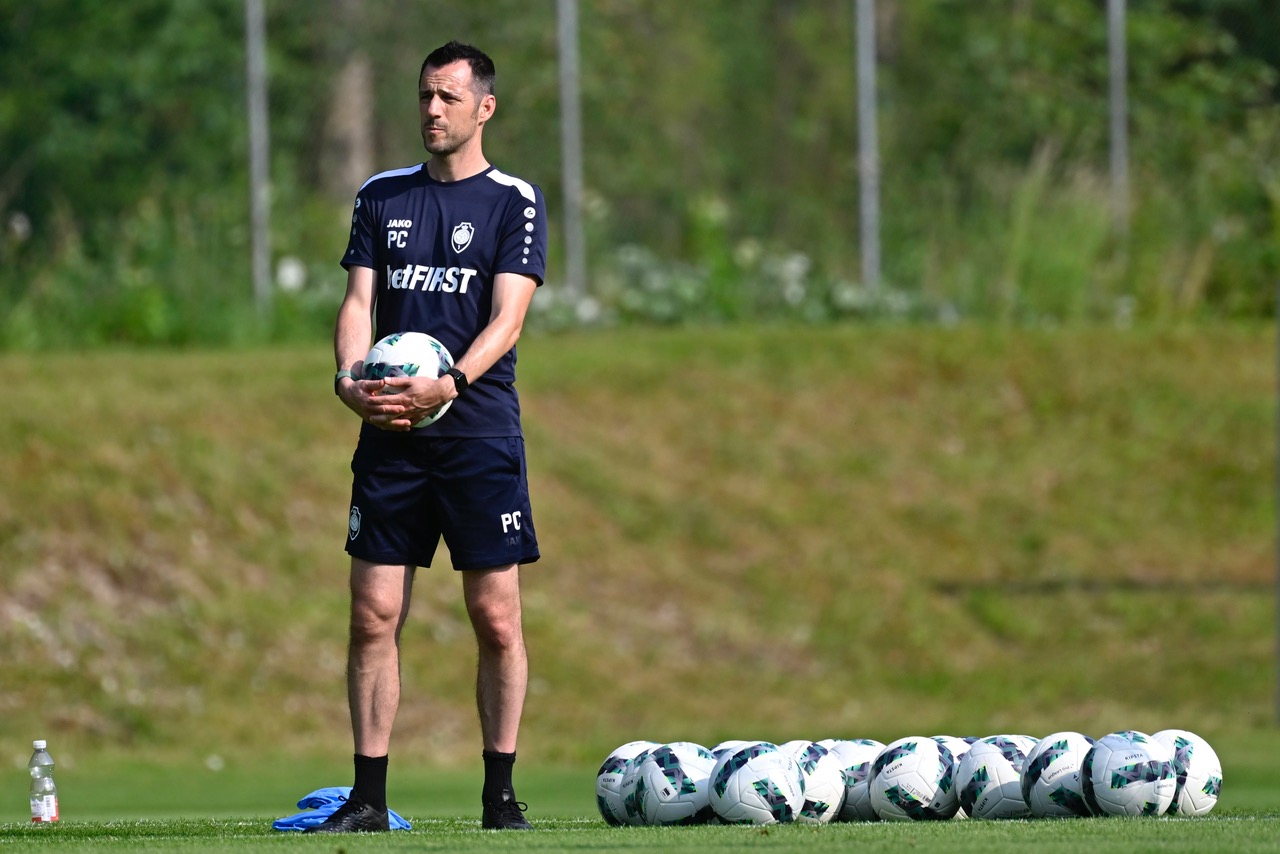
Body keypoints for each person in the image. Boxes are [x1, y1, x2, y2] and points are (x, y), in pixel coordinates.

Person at [307, 40, 546, 834]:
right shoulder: (380, 196)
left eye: (447, 97)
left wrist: (450, 383)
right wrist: (350, 380)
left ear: (485, 107)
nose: (432, 111)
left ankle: (499, 797)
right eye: (423, 96)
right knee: (373, 613)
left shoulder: (513, 201)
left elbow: (508, 317)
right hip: (390, 434)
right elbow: (356, 305)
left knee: (497, 617)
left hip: (475, 431)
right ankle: (368, 800)